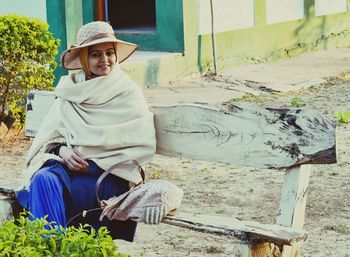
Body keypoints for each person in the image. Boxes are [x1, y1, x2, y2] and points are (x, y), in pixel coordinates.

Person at [16, 21, 156, 242]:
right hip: (68, 168)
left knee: (71, 191)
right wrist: (63, 152)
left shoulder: (127, 92)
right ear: (83, 59)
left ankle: (57, 248)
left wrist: (94, 157)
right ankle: (53, 247)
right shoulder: (71, 89)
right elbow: (51, 136)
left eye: (110, 53)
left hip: (109, 174)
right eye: (95, 54)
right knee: (43, 180)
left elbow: (140, 142)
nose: (104, 60)